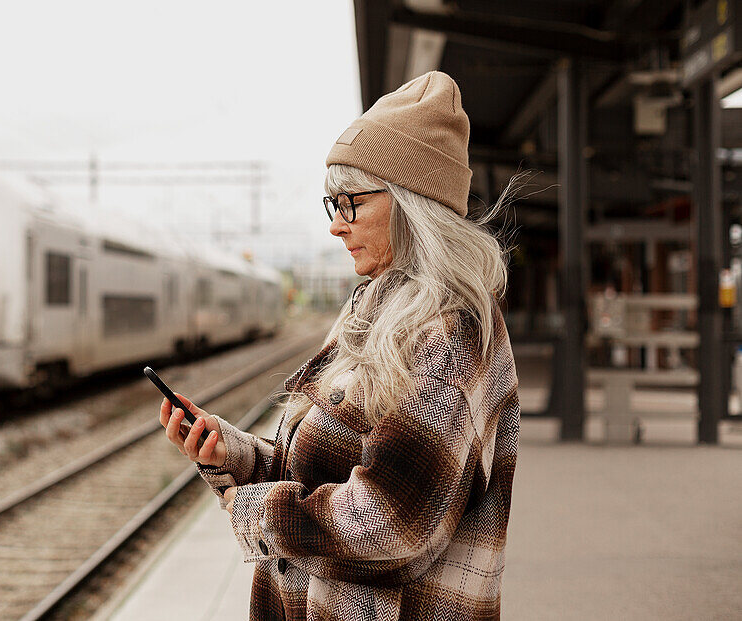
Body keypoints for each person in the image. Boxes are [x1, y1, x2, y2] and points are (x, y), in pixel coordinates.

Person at [161, 70, 521, 620]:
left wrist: (252, 511)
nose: (336, 226)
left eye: (349, 203)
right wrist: (232, 452)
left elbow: (392, 526)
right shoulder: (375, 308)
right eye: (332, 206)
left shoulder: (451, 332)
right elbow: (326, 467)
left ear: (410, 204)